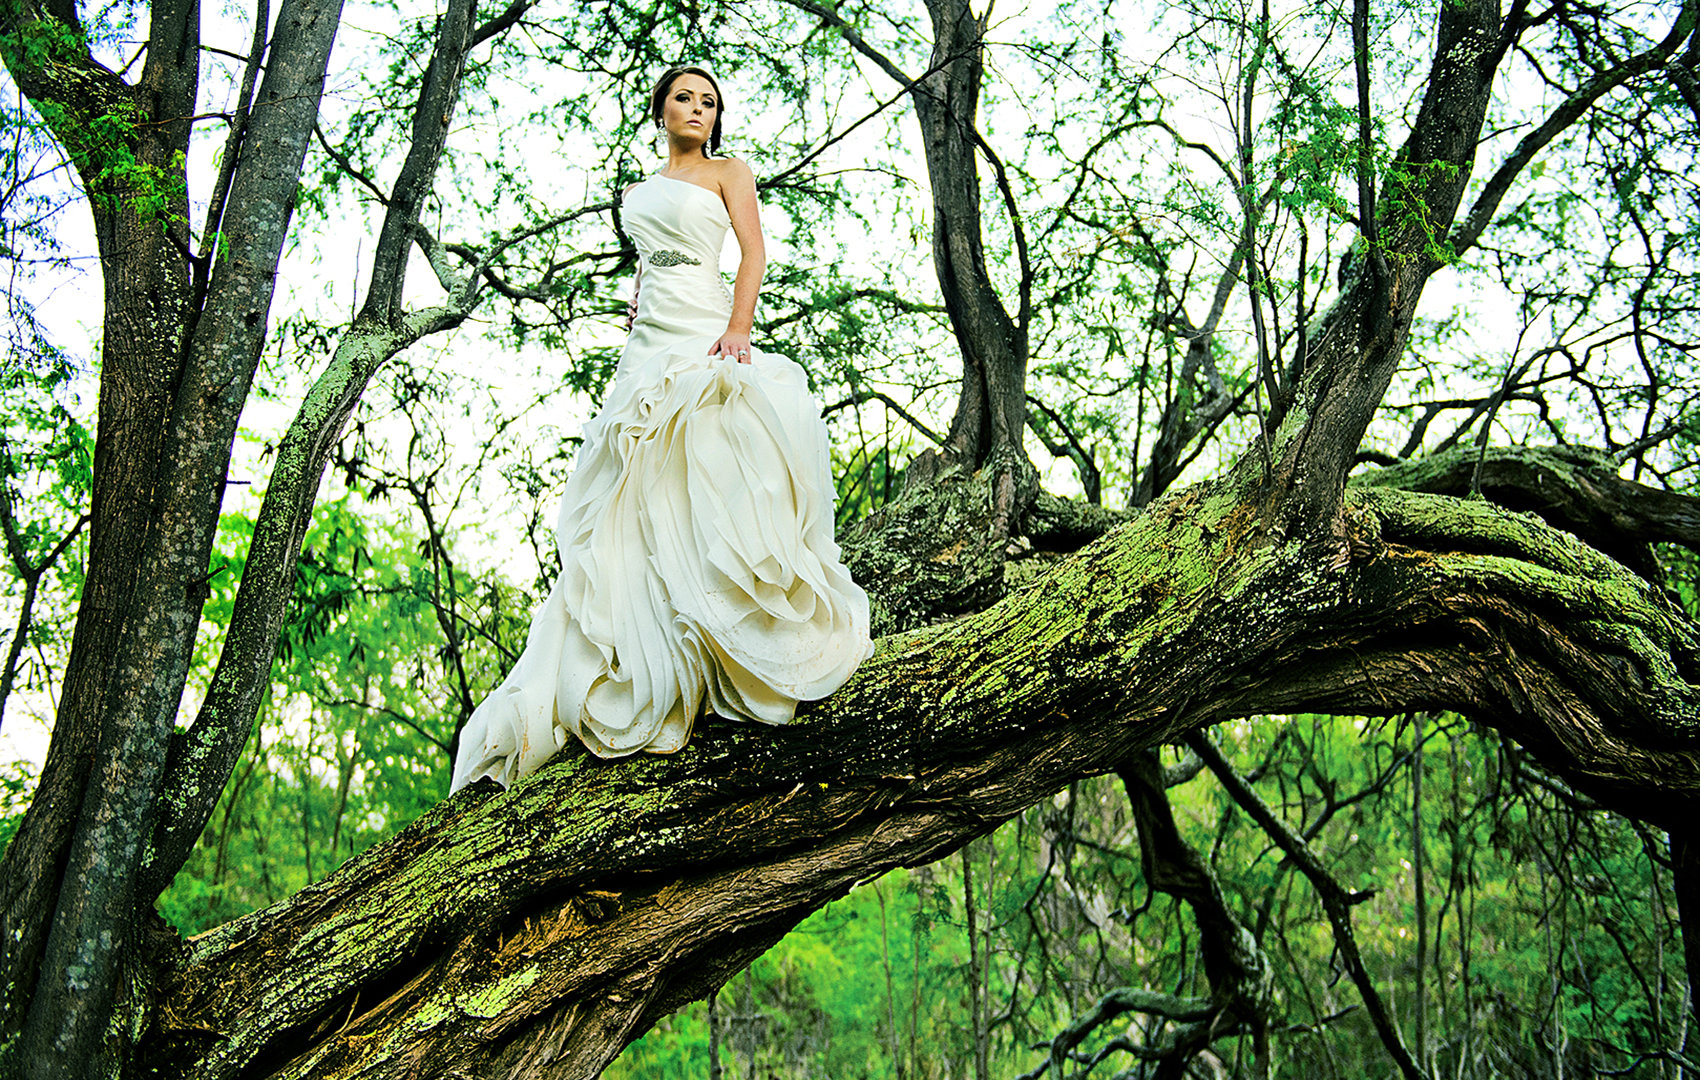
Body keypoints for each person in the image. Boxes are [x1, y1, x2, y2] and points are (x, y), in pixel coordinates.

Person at [450, 66, 872, 790]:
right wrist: (637, 301)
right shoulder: (637, 192)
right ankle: (645, 637)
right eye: (686, 98)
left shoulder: (730, 172)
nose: (698, 109)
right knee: (631, 482)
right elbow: (652, 261)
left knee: (712, 447)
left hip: (706, 325)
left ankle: (723, 623)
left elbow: (753, 252)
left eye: (710, 102)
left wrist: (739, 328)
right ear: (661, 109)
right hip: (649, 338)